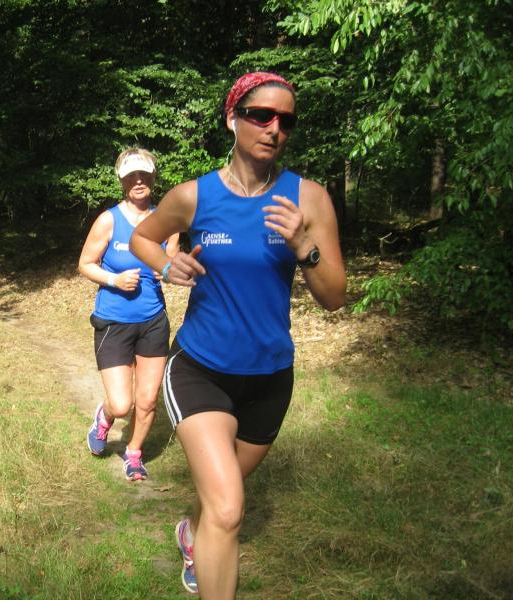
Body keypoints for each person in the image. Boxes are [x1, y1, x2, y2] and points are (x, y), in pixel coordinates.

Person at [130, 72, 346, 597]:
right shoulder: (194, 196)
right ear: (233, 119)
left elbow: (335, 297)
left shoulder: (309, 199)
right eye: (261, 115)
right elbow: (142, 238)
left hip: (270, 377)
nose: (274, 129)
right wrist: (168, 264)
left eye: (286, 121)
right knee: (228, 509)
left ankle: (191, 534)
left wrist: (304, 247)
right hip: (200, 369)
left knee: (218, 500)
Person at [78, 147, 179, 481]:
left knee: (147, 401)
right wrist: (114, 280)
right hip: (114, 322)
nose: (138, 181)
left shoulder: (168, 221)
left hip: (153, 321)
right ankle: (105, 418)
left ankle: (133, 453)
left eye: (144, 175)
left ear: (153, 178)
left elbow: (171, 264)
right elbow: (85, 264)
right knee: (122, 404)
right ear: (122, 180)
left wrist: (168, 270)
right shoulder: (109, 220)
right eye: (131, 176)